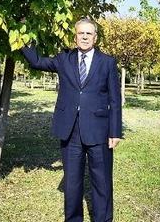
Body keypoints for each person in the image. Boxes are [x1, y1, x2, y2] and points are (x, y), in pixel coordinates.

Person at [21, 17, 123, 222]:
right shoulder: (63, 58)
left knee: (102, 181)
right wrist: (22, 38)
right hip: (71, 130)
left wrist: (115, 131)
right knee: (72, 182)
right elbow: (37, 61)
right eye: (80, 33)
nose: (84, 37)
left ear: (95, 37)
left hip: (99, 131)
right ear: (74, 36)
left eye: (88, 33)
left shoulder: (108, 62)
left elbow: (115, 99)